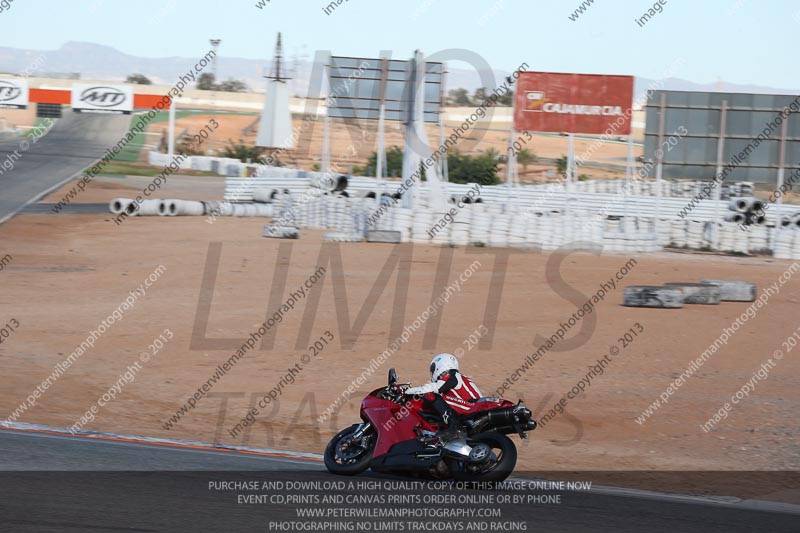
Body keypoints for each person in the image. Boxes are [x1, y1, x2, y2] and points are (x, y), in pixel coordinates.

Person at [405, 353, 483, 442]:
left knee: (432, 396)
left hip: (472, 408)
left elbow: (434, 388)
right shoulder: (459, 378)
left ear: (440, 366)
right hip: (474, 408)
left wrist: (408, 391)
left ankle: (455, 428)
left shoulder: (452, 375)